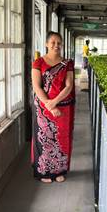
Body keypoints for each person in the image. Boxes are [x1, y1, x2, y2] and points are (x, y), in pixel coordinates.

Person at [31, 31, 75, 183]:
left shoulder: (67, 63)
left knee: (62, 138)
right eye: (53, 42)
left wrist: (55, 102)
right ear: (46, 44)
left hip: (63, 107)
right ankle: (44, 172)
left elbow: (69, 86)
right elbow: (37, 87)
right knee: (44, 138)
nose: (56, 45)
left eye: (59, 43)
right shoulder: (39, 63)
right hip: (43, 108)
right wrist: (49, 106)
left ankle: (59, 171)